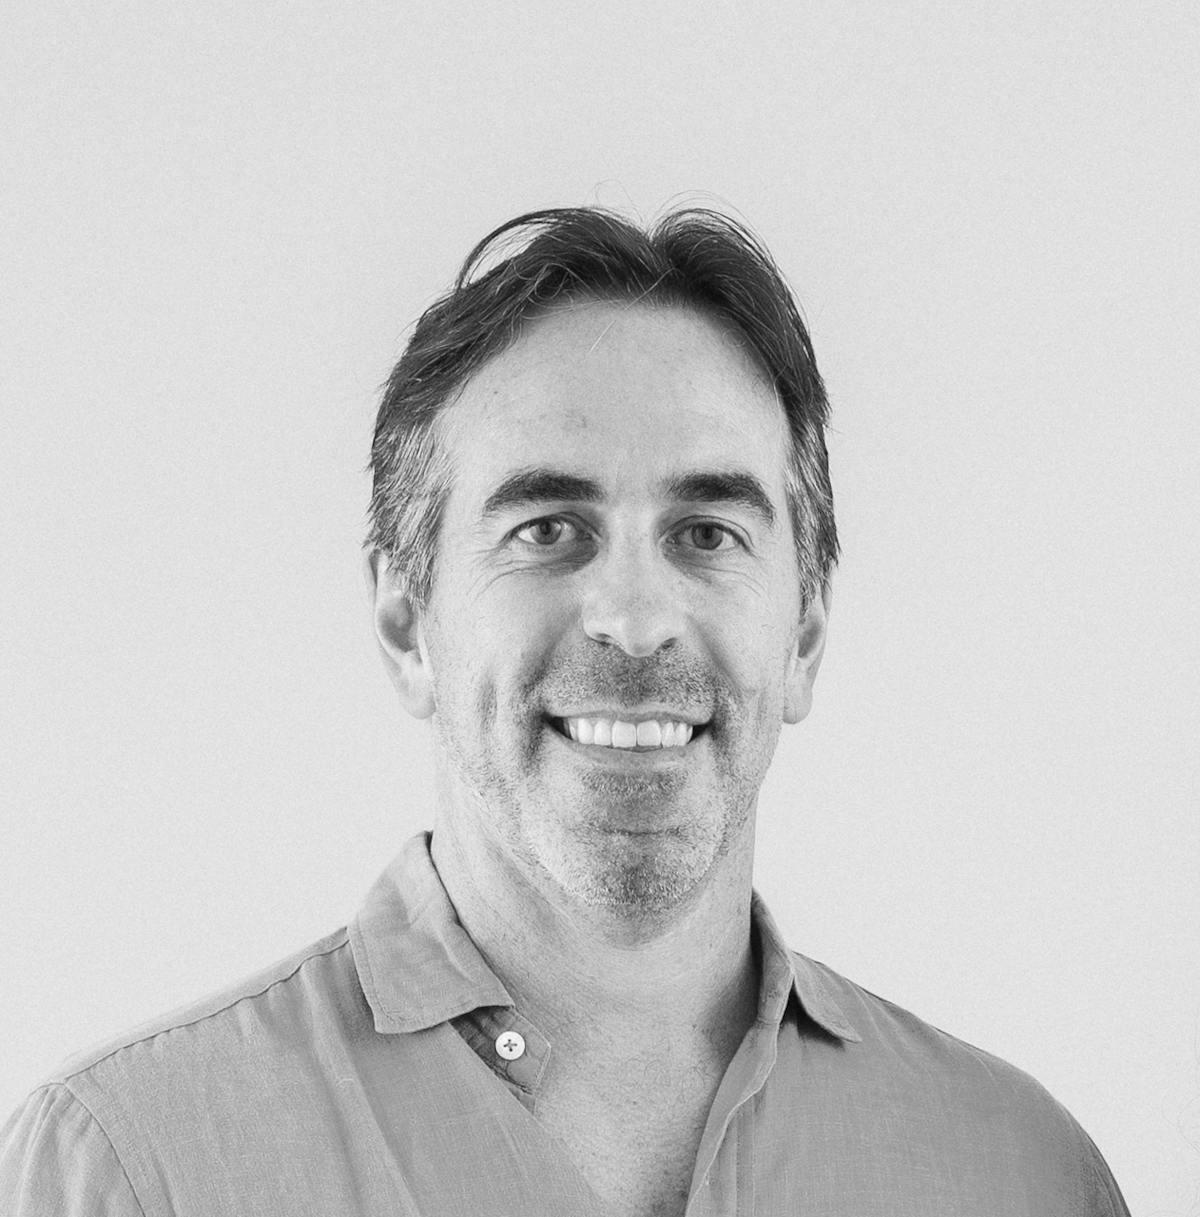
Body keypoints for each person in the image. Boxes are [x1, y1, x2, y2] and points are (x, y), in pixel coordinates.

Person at [0, 206, 1130, 1216]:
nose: (635, 618)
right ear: (407, 621)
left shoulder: (1020, 1174)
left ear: (806, 632)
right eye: (547, 529)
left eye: (707, 532)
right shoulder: (127, 1169)